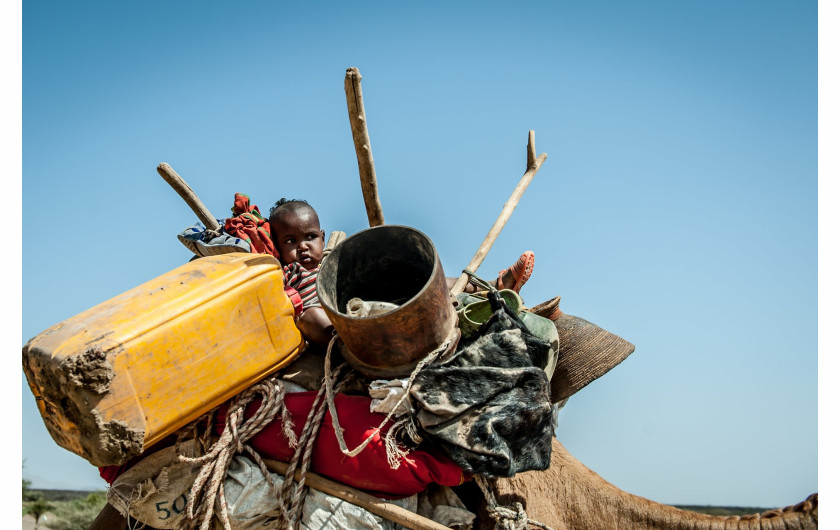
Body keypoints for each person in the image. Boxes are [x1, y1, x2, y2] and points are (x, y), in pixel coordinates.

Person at [268, 198, 535, 346]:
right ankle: (346, 348)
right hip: (338, 327)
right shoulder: (289, 272)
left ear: (322, 237)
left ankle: (492, 285)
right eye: (290, 241)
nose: (302, 247)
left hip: (366, 307)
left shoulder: (335, 260)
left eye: (310, 237)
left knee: (431, 279)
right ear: (277, 247)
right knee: (309, 316)